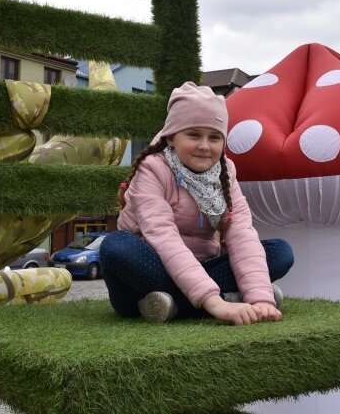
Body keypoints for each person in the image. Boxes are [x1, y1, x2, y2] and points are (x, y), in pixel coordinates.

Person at [99, 82, 293, 325]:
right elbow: (163, 236)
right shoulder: (152, 169)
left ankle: (170, 305)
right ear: (171, 137)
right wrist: (215, 303)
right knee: (116, 246)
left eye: (214, 137)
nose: (204, 146)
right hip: (146, 272)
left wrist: (261, 297)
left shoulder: (226, 172)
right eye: (193, 135)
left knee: (280, 252)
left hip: (202, 268)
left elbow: (242, 233)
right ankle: (218, 301)